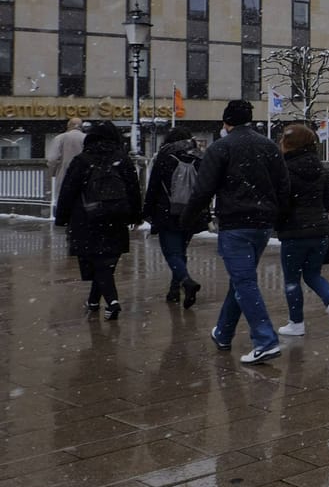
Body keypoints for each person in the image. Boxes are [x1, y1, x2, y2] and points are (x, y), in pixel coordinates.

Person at [182, 100, 290, 365]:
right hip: (262, 224)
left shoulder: (220, 148)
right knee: (241, 278)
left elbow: (203, 189)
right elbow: (284, 186)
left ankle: (265, 340)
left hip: (235, 223)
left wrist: (186, 219)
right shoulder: (268, 146)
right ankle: (223, 331)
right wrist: (276, 214)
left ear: (226, 122)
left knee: (244, 281)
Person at [53, 121, 142, 319]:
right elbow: (134, 190)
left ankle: (112, 302)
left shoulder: (82, 160)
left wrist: (62, 217)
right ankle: (94, 301)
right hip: (116, 217)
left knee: (97, 262)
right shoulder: (122, 159)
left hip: (87, 218)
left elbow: (69, 190)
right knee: (106, 262)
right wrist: (136, 215)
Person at [275, 123, 329, 336]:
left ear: (290, 144)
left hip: (295, 232)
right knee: (313, 274)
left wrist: (281, 219)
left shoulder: (284, 169)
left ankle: (296, 323)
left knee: (292, 280)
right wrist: (320, 211)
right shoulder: (317, 167)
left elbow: (282, 200)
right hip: (320, 231)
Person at [143, 127, 206, 307]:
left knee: (171, 252)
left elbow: (154, 185)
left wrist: (147, 211)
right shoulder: (199, 156)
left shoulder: (165, 156)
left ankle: (186, 282)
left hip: (167, 211)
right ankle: (173, 290)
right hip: (191, 212)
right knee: (181, 251)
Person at [47, 117, 87, 214]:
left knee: (62, 198)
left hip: (64, 173)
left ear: (68, 125)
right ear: (81, 127)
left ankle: (63, 218)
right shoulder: (87, 138)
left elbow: (52, 158)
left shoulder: (60, 138)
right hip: (84, 175)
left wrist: (52, 172)